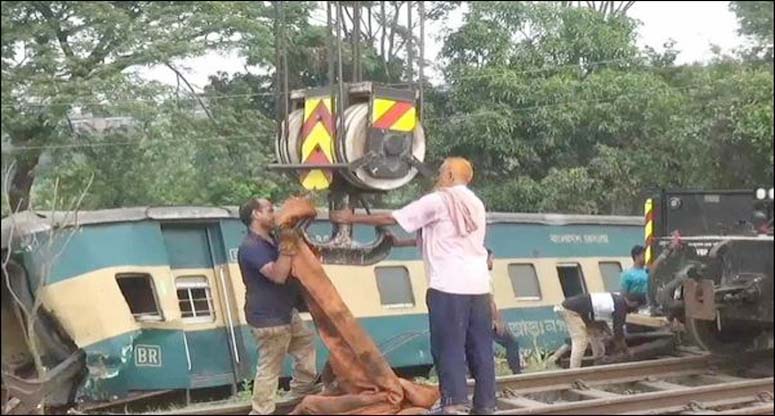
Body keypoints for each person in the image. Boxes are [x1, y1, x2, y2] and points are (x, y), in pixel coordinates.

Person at [331, 157, 496, 415]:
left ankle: (454, 403)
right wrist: (400, 243)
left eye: (441, 173)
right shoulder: (475, 203)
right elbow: (448, 239)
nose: (438, 178)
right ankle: (486, 405)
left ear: (451, 175)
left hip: (449, 286)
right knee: (480, 348)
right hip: (479, 287)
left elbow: (392, 217)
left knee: (448, 346)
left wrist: (349, 218)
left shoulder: (439, 200)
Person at [237, 197, 318, 415]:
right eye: (270, 210)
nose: (274, 214)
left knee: (305, 345)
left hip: (285, 312)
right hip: (268, 319)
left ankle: (299, 394)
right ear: (256, 214)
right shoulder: (251, 247)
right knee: (270, 368)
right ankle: (261, 412)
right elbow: (278, 275)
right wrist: (287, 249)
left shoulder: (271, 239)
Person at [553, 292, 646, 369]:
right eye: (636, 307)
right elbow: (618, 332)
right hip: (570, 310)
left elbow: (602, 322)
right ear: (634, 303)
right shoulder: (621, 306)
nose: (635, 310)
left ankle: (599, 360)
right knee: (581, 340)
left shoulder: (617, 298)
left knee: (596, 333)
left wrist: (609, 333)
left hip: (582, 312)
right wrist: (625, 350)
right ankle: (574, 371)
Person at [486, 248, 522, 375]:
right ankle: (516, 373)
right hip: (487, 319)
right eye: (491, 259)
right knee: (512, 343)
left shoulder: (473, 276)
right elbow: (490, 300)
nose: (492, 262)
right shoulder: (486, 277)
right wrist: (496, 320)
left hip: (477, 318)